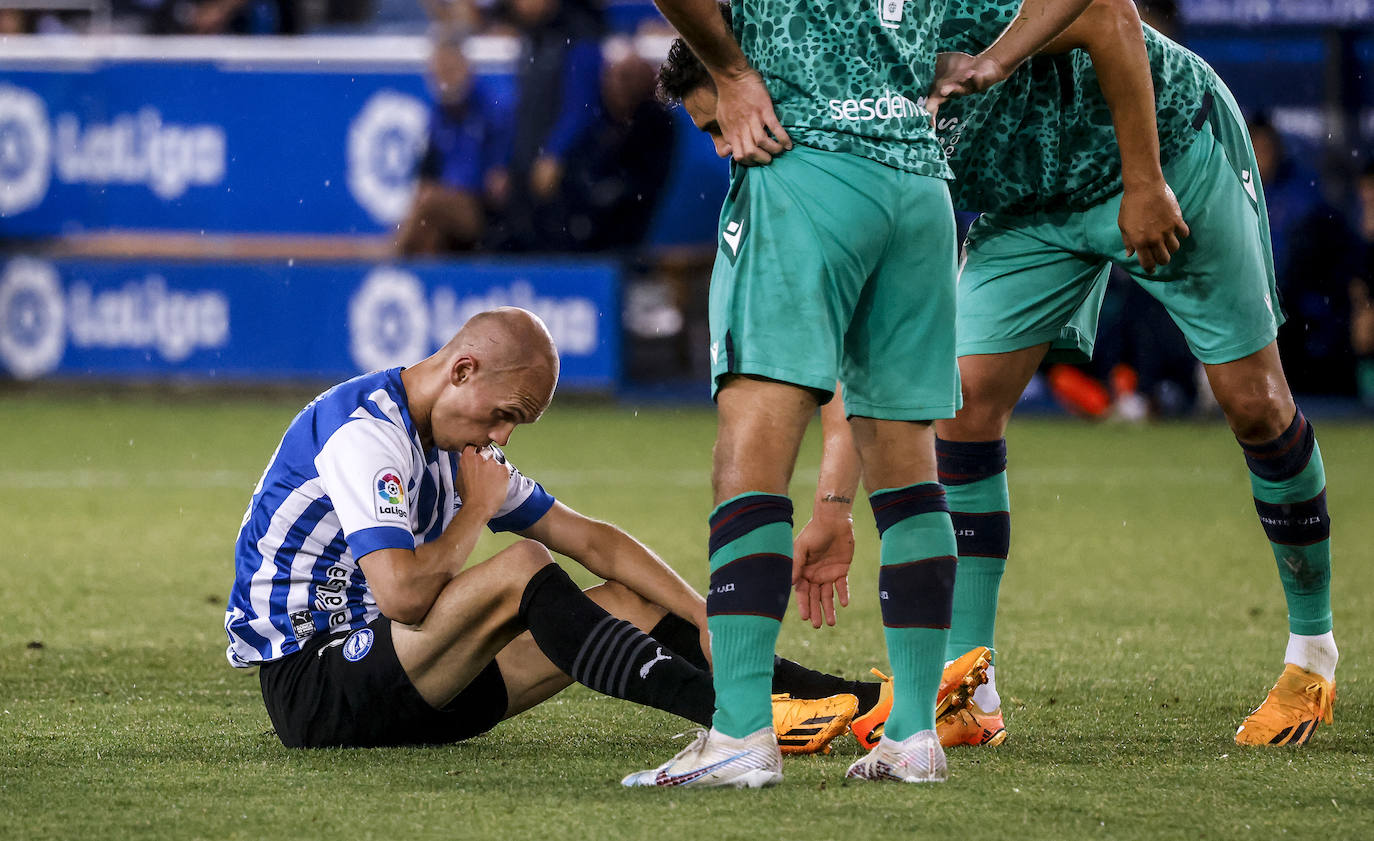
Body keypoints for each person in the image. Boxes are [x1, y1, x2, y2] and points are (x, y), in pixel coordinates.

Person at [799, 0, 1338, 749]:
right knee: (962, 403)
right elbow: (855, 313)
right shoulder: (830, 71)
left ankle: (1311, 655)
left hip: (1161, 150)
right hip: (1029, 203)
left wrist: (1143, 180)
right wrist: (831, 504)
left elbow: (1110, 13)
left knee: (1252, 402)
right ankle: (969, 686)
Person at [624, 0, 1092, 788]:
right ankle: (913, 734)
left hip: (805, 164)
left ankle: (739, 729)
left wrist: (735, 70)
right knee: (911, 469)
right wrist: (994, 61)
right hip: (917, 187)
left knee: (752, 451)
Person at [224, 307, 878, 753]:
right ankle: (735, 717)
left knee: (642, 596)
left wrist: (703, 612)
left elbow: (596, 542)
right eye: (502, 416)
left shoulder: (462, 450)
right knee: (521, 566)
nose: (501, 436)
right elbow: (401, 597)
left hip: (415, 683)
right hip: (315, 688)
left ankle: (862, 701)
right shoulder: (367, 433)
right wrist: (474, 513)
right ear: (461, 371)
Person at [398, 33, 511, 256]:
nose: (444, 77)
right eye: (438, 71)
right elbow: (426, 174)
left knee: (429, 204)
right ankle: (423, 279)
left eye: (450, 69)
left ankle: (390, 256)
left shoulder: (493, 107)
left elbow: (496, 181)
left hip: (484, 209)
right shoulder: (438, 114)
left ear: (466, 67)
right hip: (451, 202)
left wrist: (445, 193)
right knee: (428, 230)